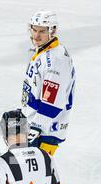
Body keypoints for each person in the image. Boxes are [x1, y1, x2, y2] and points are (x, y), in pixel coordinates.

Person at [21, 10, 76, 156]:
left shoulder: (55, 61)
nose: (36, 35)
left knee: (35, 175)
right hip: (36, 124)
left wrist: (36, 128)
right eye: (34, 29)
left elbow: (53, 102)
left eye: (42, 31)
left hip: (44, 132)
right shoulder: (45, 50)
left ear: (52, 31)